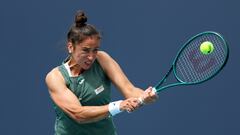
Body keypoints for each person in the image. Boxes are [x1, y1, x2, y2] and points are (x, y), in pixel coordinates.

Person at [45, 10, 158, 135]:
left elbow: (129, 90)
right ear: (70, 47)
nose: (91, 56)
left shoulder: (102, 59)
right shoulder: (55, 77)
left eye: (95, 50)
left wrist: (144, 96)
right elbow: (78, 114)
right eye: (86, 50)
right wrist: (119, 105)